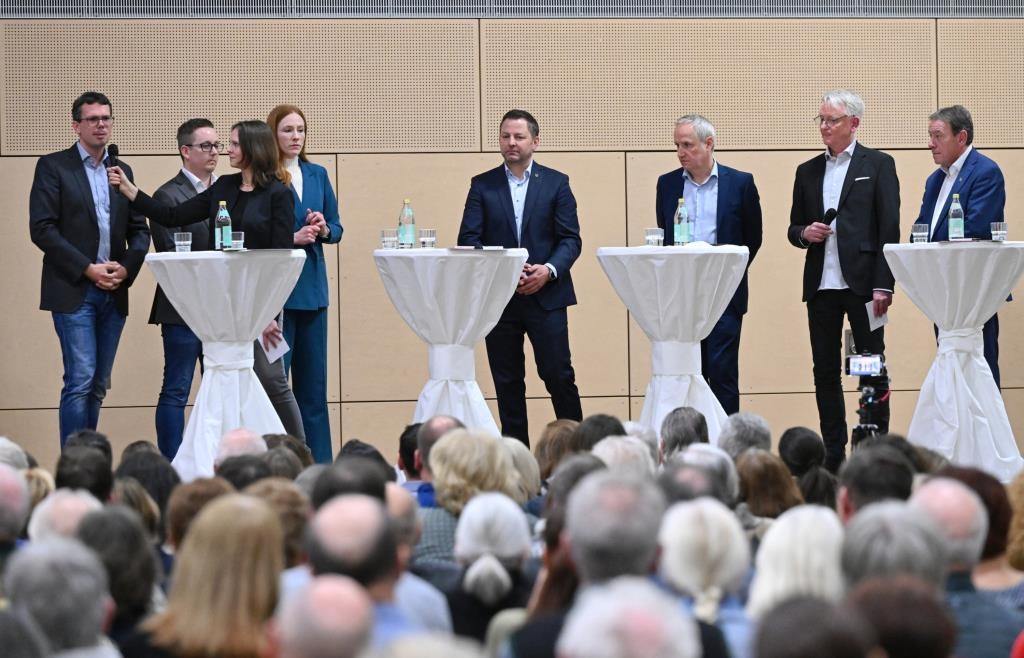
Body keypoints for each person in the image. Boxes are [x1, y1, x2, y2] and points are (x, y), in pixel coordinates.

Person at [107, 120, 305, 444]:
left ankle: (299, 450)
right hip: (222, 304)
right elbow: (171, 215)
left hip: (260, 304)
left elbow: (279, 261)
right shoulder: (225, 186)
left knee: (272, 379)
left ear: (253, 148)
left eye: (234, 144)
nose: (227, 150)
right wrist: (130, 190)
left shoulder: (278, 194)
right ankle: (223, 448)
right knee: (221, 374)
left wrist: (267, 314)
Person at [29, 91, 151, 445]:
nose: (101, 125)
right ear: (76, 126)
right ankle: (74, 464)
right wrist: (87, 268)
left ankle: (90, 459)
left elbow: (139, 231)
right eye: (93, 119)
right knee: (80, 379)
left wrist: (125, 269)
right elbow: (42, 228)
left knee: (98, 384)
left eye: (106, 118)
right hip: (74, 289)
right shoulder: (54, 167)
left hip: (113, 290)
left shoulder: (121, 170)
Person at [788, 89, 900, 472]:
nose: (823, 126)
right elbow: (793, 228)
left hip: (865, 286)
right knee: (825, 372)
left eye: (831, 120)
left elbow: (889, 227)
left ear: (853, 123)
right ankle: (834, 454)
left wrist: (885, 283)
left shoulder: (878, 164)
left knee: (869, 366)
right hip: (821, 286)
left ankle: (872, 451)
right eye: (820, 119)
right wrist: (805, 233)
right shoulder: (807, 171)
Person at [457, 109, 582, 445]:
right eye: (505, 136)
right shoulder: (482, 185)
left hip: (547, 296)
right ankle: (517, 459)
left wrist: (548, 270)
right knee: (507, 383)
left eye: (519, 136)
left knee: (558, 376)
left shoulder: (556, 183)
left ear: (535, 142)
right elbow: (469, 240)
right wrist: (506, 272)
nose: (511, 142)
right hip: (500, 300)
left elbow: (570, 240)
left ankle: (577, 452)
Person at [655, 114, 763, 414]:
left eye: (687, 145)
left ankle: (726, 438)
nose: (680, 152)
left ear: (709, 144)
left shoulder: (740, 183)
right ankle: (690, 437)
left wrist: (727, 274)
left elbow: (752, 239)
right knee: (687, 372)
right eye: (677, 145)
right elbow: (665, 234)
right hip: (682, 294)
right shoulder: (667, 184)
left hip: (724, 292)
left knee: (722, 372)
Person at [267, 105, 344, 463]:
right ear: (273, 134)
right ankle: (281, 464)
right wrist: (291, 237)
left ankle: (322, 466)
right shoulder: (265, 177)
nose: (296, 137)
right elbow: (255, 232)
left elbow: (337, 228)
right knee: (277, 386)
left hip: (313, 292)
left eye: (300, 130)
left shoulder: (317, 173)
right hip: (278, 297)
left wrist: (324, 228)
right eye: (287, 130)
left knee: (314, 389)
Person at [914, 104, 1005, 386]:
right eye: (930, 136)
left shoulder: (986, 171)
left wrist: (932, 244)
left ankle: (984, 418)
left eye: (938, 136)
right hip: (943, 292)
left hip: (974, 291)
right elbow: (920, 229)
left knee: (981, 369)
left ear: (961, 137)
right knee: (949, 370)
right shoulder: (934, 180)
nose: (930, 143)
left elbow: (977, 228)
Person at [149, 118, 219, 460]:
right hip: (182, 308)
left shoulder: (228, 191)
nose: (214, 152)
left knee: (217, 388)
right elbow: (170, 254)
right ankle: (173, 464)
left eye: (217, 145)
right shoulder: (167, 195)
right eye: (206, 146)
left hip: (221, 309)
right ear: (185, 151)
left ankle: (215, 458)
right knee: (176, 388)